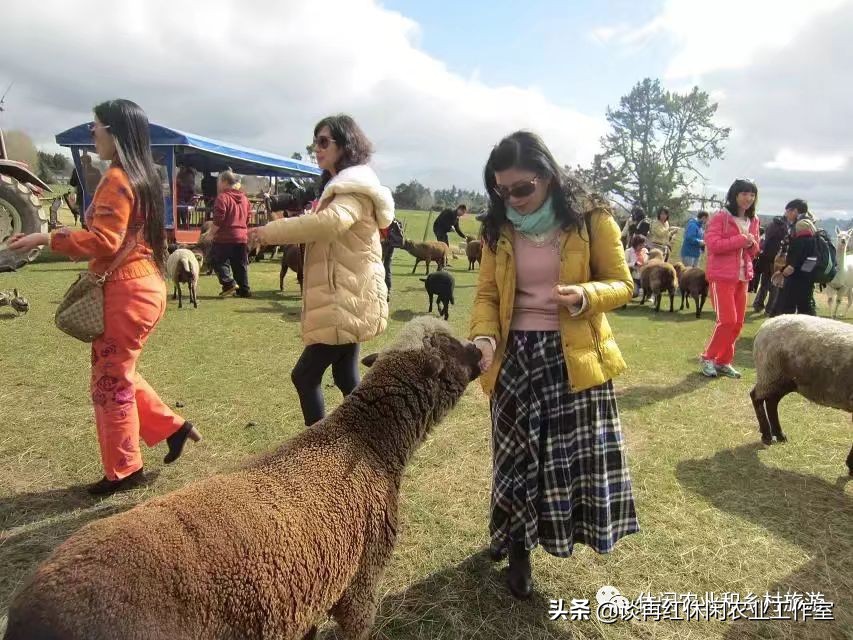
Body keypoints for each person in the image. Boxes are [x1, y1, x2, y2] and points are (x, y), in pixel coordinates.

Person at [469, 131, 638, 600]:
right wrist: (483, 336)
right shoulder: (497, 227)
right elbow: (486, 294)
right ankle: (517, 550)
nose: (512, 200)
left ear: (547, 177)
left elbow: (623, 284)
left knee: (562, 463)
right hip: (514, 356)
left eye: (522, 189)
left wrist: (587, 295)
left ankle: (555, 538)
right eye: (501, 191)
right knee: (514, 457)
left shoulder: (590, 219)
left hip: (573, 356)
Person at [7, 99, 201, 494]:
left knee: (111, 382)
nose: (92, 132)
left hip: (124, 291)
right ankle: (172, 427)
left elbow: (103, 241)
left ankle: (126, 471)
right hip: (145, 285)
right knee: (119, 373)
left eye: (95, 126)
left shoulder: (116, 178)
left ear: (114, 131)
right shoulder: (144, 176)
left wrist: (47, 236)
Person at [249, 114, 393, 427]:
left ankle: (319, 451)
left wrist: (269, 232)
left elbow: (329, 224)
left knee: (304, 376)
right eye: (316, 142)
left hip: (345, 301)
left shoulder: (352, 190)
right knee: (345, 377)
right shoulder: (342, 187)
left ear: (346, 145)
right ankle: (371, 432)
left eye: (324, 141)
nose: (317, 148)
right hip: (346, 298)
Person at [699, 179, 761, 378]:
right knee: (727, 320)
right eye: (744, 193)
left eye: (752, 194)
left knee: (737, 323)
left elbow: (754, 250)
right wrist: (741, 240)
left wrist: (751, 245)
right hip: (722, 276)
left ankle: (723, 361)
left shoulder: (754, 220)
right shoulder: (720, 217)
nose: (748, 198)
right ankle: (708, 357)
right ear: (735, 195)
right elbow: (713, 244)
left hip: (743, 277)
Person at [208, 169, 251, 298]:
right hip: (241, 236)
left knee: (217, 260)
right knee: (240, 264)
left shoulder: (222, 198)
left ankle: (228, 283)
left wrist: (210, 234)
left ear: (225, 181)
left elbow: (218, 219)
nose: (218, 185)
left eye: (219, 181)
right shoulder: (244, 198)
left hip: (225, 237)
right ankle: (244, 290)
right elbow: (248, 217)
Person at [771, 199, 817, 316]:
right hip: (806, 271)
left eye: (788, 211)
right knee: (802, 305)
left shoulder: (802, 225)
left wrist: (791, 266)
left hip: (799, 273)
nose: (786, 215)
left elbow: (800, 248)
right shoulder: (808, 223)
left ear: (795, 211)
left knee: (788, 305)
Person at [753, 215, 787, 313]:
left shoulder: (771, 226)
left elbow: (764, 242)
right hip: (777, 261)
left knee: (764, 283)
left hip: (766, 259)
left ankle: (758, 304)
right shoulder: (784, 229)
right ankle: (770, 308)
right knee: (775, 285)